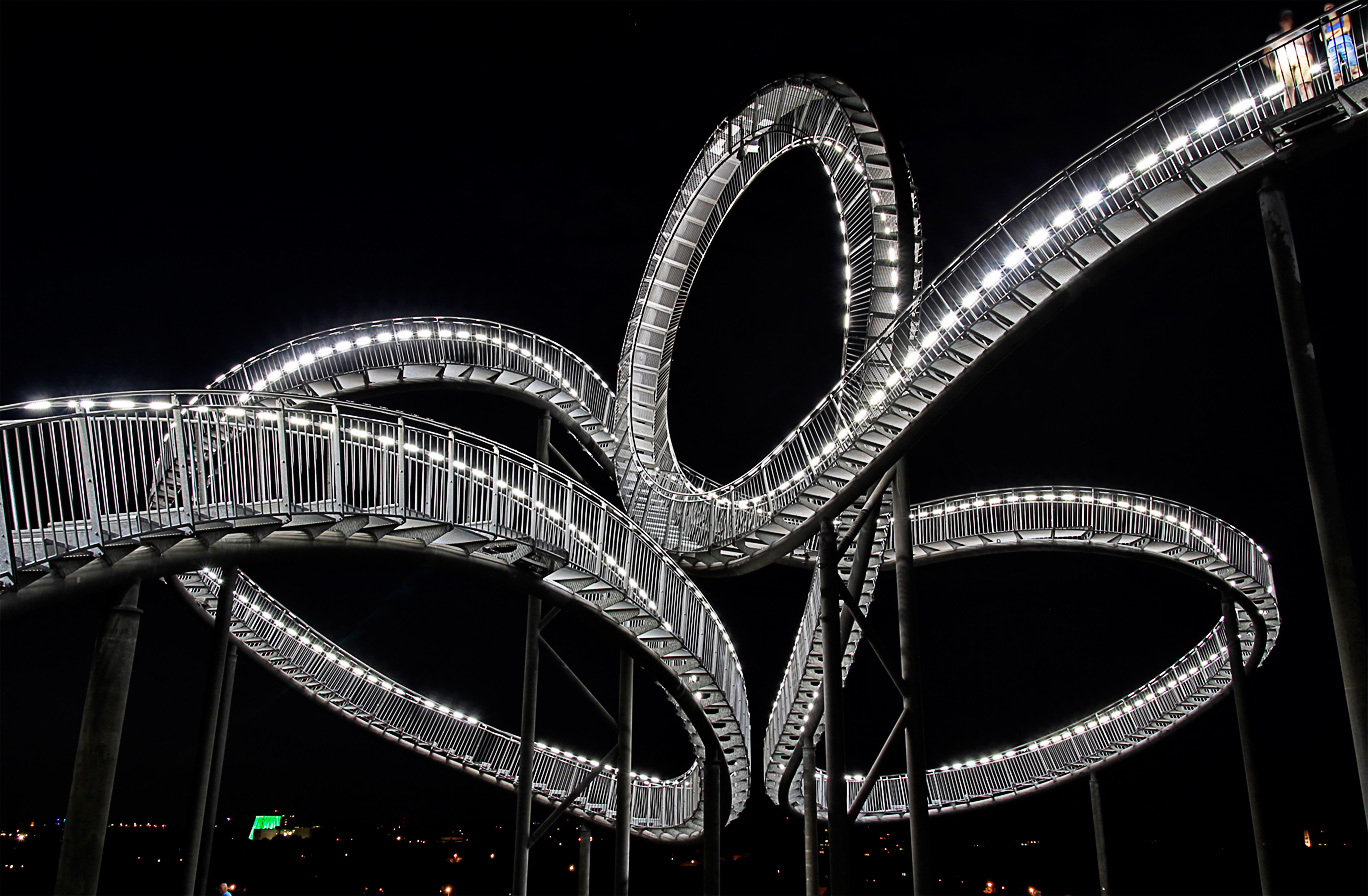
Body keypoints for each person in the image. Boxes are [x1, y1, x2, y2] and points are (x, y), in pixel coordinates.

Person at [1264, 9, 1317, 106]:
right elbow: (1265, 54)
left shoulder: (1300, 31)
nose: (1287, 20)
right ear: (1280, 22)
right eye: (1285, 18)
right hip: (1283, 63)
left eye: (1289, 18)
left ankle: (1310, 105)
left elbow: (1309, 45)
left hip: (1301, 58)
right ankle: (1290, 110)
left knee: (1304, 85)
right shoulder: (1273, 36)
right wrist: (1274, 66)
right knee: (1288, 89)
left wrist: (1310, 58)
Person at [1320, 3, 1363, 87]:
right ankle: (1340, 92)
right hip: (1332, 47)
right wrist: (1339, 31)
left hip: (1345, 42)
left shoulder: (1343, 16)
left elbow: (1346, 28)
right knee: (1336, 75)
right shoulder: (1324, 24)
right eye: (1326, 8)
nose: (1328, 8)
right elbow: (1322, 37)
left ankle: (1362, 87)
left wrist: (1330, 35)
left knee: (1354, 68)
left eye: (1330, 6)